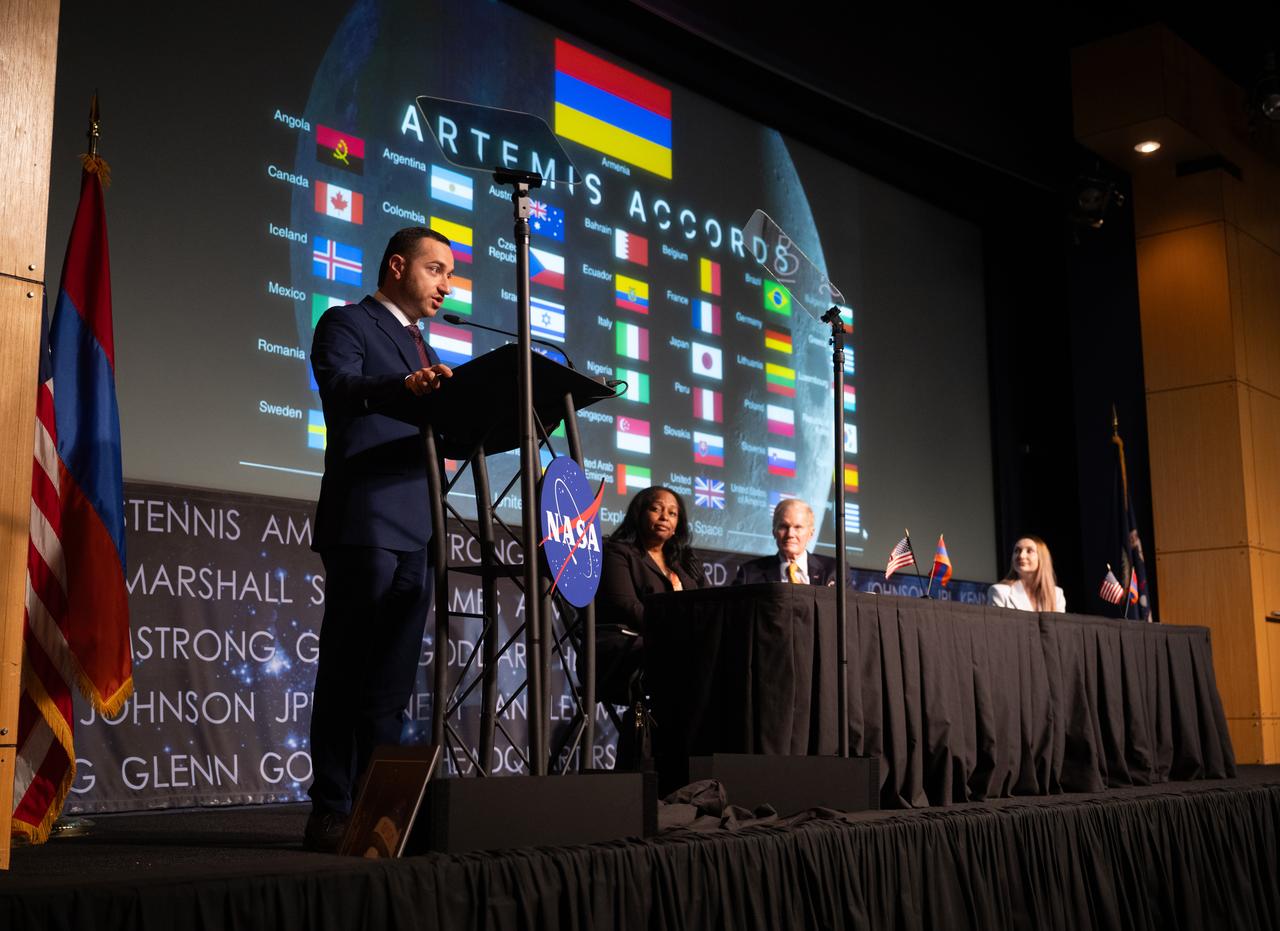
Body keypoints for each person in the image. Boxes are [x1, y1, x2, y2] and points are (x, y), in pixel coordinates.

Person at [304, 227, 456, 851]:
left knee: (393, 682)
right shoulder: (349, 323)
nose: (446, 285)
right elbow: (340, 390)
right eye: (437, 270)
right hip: (365, 520)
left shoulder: (423, 347)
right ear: (398, 267)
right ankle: (332, 808)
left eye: (450, 274)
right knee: (348, 670)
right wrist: (404, 389)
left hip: (418, 528)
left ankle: (378, 813)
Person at [595, 487, 706, 708]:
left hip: (676, 647)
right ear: (639, 514)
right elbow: (626, 605)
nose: (665, 516)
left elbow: (704, 606)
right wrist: (675, 631)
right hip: (626, 650)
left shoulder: (681, 564)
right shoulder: (618, 552)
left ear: (677, 525)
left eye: (672, 513)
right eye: (656, 509)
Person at [732, 498, 837, 585]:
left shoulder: (835, 571)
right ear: (774, 531)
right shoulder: (749, 574)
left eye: (798, 527)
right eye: (783, 527)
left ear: (811, 534)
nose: (790, 534)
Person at [988, 535, 1066, 612]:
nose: (1021, 556)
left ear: (1041, 558)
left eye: (1029, 551)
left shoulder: (1057, 594)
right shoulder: (999, 591)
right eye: (1017, 551)